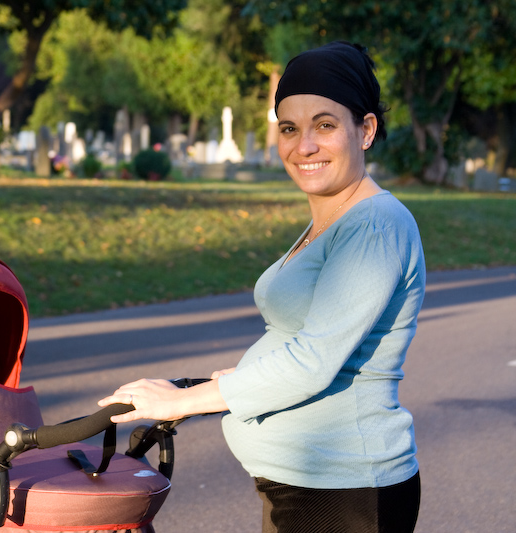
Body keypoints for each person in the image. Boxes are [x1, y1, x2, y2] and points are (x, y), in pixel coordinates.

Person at [99, 41, 425, 533]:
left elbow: (315, 361)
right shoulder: (332, 218)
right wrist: (243, 373)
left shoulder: (375, 225)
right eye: (289, 128)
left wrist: (181, 402)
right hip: (305, 485)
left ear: (366, 130)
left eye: (325, 125)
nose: (304, 146)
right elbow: (315, 334)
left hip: (346, 489)